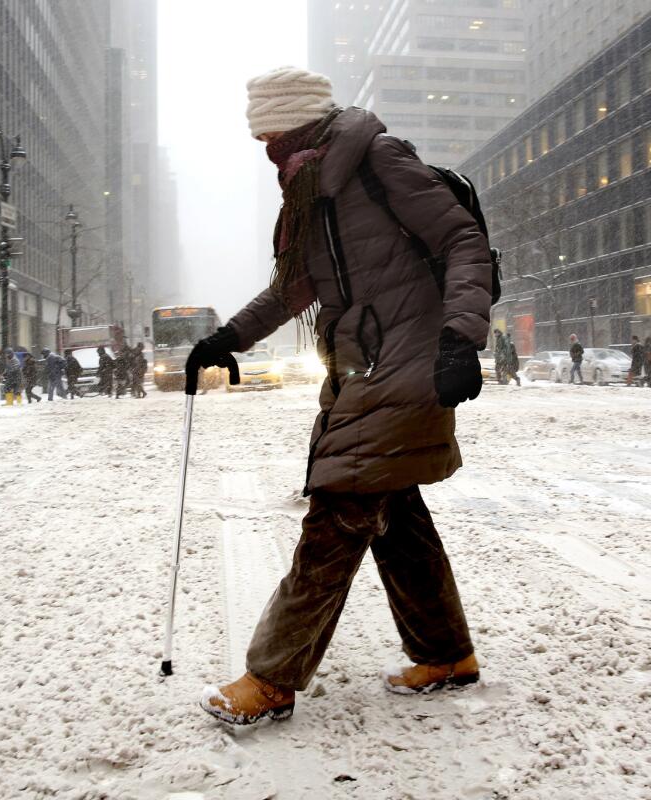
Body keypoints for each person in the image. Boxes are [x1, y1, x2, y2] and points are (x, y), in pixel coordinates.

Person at [188, 66, 490, 725]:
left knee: (338, 511)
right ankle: (445, 655)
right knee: (394, 511)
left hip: (411, 359)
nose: (262, 146)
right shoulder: (309, 185)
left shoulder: (374, 159)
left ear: (293, 122)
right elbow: (295, 286)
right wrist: (227, 338)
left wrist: (462, 336)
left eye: (267, 131)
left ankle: (271, 679)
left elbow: (460, 238)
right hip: (364, 363)